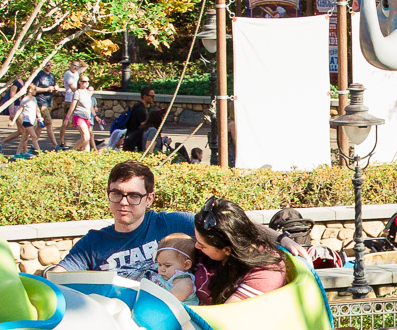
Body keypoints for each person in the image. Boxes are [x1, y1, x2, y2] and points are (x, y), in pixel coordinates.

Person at [50, 159, 196, 276]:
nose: (123, 202)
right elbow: (58, 277)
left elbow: (216, 229)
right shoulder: (92, 243)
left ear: (149, 199)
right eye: (117, 194)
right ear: (108, 193)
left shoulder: (173, 224)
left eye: (134, 196)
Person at [192, 196, 290, 303]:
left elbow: (227, 314)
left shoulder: (265, 272)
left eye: (202, 245)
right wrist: (282, 238)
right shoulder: (213, 237)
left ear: (227, 250)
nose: (196, 246)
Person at [69, 74, 97, 152]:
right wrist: (67, 118)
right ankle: (85, 154)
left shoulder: (88, 93)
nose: (86, 83)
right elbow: (72, 105)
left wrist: (96, 116)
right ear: (80, 82)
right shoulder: (77, 92)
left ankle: (73, 151)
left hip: (87, 117)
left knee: (85, 138)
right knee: (86, 136)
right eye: (84, 81)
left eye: (87, 81)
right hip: (78, 116)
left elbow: (90, 106)